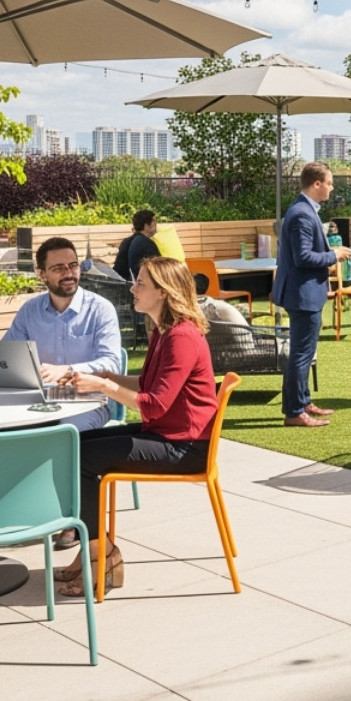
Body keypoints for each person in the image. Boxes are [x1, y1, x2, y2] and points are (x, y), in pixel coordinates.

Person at [53, 256, 219, 598]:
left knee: (81, 460)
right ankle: (94, 549)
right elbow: (146, 383)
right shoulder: (163, 331)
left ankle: (103, 555)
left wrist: (103, 388)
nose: (132, 288)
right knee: (71, 447)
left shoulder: (182, 337)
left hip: (184, 447)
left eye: (140, 283)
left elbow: (155, 403)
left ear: (163, 291)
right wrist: (106, 377)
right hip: (165, 435)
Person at [4, 236, 122, 434]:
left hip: (89, 402)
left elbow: (112, 364)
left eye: (73, 265)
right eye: (59, 268)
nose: (69, 273)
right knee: (4, 429)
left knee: (64, 432)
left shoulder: (101, 309)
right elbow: (7, 356)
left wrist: (68, 370)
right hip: (40, 400)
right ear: (42, 274)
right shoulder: (29, 311)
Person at [272, 161, 351, 428]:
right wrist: (334, 255)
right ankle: (294, 412)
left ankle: (303, 401)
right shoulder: (302, 214)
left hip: (304, 293)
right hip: (302, 295)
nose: (331, 188)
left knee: (304, 352)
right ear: (316, 183)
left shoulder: (304, 210)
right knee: (301, 354)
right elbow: (303, 256)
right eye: (329, 183)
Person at [112, 209, 160, 282]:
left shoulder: (127, 241)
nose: (156, 225)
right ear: (146, 226)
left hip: (120, 281)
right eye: (154, 223)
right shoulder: (146, 243)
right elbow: (160, 269)